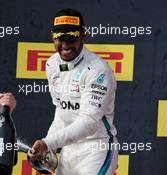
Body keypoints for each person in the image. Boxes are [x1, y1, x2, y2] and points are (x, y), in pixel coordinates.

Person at [28, 9, 118, 175]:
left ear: (83, 35)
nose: (65, 44)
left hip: (96, 148)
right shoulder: (51, 65)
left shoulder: (98, 70)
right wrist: (51, 149)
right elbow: (61, 113)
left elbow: (89, 123)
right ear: (52, 37)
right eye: (60, 38)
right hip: (68, 150)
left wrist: (48, 142)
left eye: (72, 36)